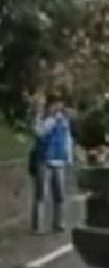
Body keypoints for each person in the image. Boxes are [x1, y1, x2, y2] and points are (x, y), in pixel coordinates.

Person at [30, 95, 74, 234]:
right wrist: (43, 118)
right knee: (41, 194)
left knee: (59, 194)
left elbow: (67, 140)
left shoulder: (64, 121)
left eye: (60, 105)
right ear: (50, 106)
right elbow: (39, 132)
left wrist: (69, 158)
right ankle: (38, 226)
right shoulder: (46, 120)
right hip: (45, 159)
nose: (58, 108)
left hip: (59, 160)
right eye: (55, 105)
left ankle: (58, 223)